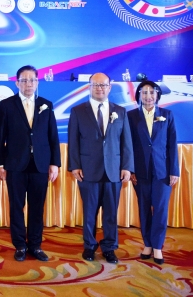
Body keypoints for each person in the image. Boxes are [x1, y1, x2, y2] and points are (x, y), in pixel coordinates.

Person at [0, 65, 60, 262]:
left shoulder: (46, 104)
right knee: (16, 206)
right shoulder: (7, 105)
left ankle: (35, 245)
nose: (29, 84)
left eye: (32, 80)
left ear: (37, 82)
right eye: (24, 80)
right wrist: (0, 164)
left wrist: (55, 163)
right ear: (17, 83)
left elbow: (53, 136)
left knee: (37, 207)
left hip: (40, 164)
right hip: (15, 164)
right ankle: (20, 245)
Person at [68, 72, 133, 264]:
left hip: (114, 170)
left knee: (111, 213)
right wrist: (75, 165)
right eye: (95, 85)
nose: (99, 88)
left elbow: (126, 142)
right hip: (88, 170)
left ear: (110, 87)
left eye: (103, 85)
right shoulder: (78, 111)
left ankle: (109, 247)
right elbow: (73, 141)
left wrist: (127, 167)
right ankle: (89, 246)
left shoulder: (120, 111)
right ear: (89, 87)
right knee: (89, 212)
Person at [128, 80, 179, 265]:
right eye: (144, 92)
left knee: (160, 209)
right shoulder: (131, 116)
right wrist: (130, 169)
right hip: (140, 172)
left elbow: (172, 145)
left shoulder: (167, 115)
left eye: (151, 92)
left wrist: (174, 171)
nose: (148, 96)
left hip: (162, 172)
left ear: (157, 95)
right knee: (144, 209)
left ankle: (157, 246)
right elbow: (128, 145)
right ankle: (147, 244)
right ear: (139, 96)